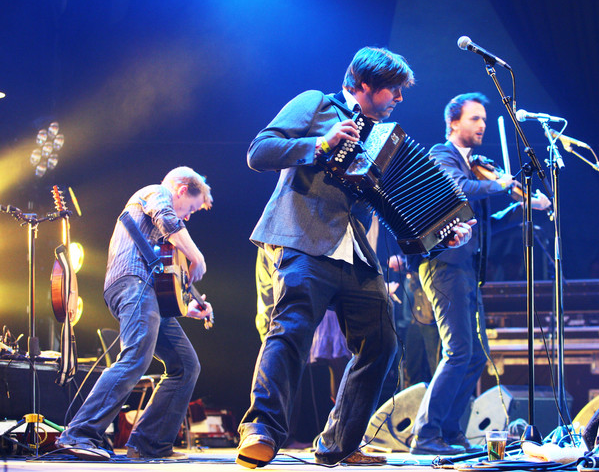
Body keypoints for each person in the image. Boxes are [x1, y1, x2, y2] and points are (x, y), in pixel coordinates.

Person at [237, 46, 474, 468]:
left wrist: (441, 238)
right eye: (394, 91)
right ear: (366, 85)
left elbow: (398, 212)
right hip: (304, 238)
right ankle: (260, 430)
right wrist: (319, 143)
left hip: (356, 253)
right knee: (289, 332)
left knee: (381, 344)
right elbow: (259, 151)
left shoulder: (383, 136)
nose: (399, 99)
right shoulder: (317, 104)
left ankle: (339, 444)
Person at [409, 93, 551, 455]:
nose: (482, 125)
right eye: (474, 118)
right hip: (444, 265)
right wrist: (504, 184)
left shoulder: (475, 165)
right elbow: (458, 188)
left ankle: (452, 430)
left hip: (467, 268)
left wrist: (522, 205)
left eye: (484, 119)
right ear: (453, 123)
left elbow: (485, 220)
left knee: (475, 355)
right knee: (457, 351)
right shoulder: (442, 156)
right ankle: (425, 436)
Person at [56, 166, 214, 461]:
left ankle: (149, 443)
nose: (189, 216)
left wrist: (186, 308)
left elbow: (162, 276)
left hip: (145, 289)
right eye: (191, 207)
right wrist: (197, 256)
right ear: (181, 190)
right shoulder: (156, 192)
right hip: (131, 281)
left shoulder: (158, 222)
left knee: (186, 366)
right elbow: (168, 219)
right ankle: (79, 433)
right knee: (136, 356)